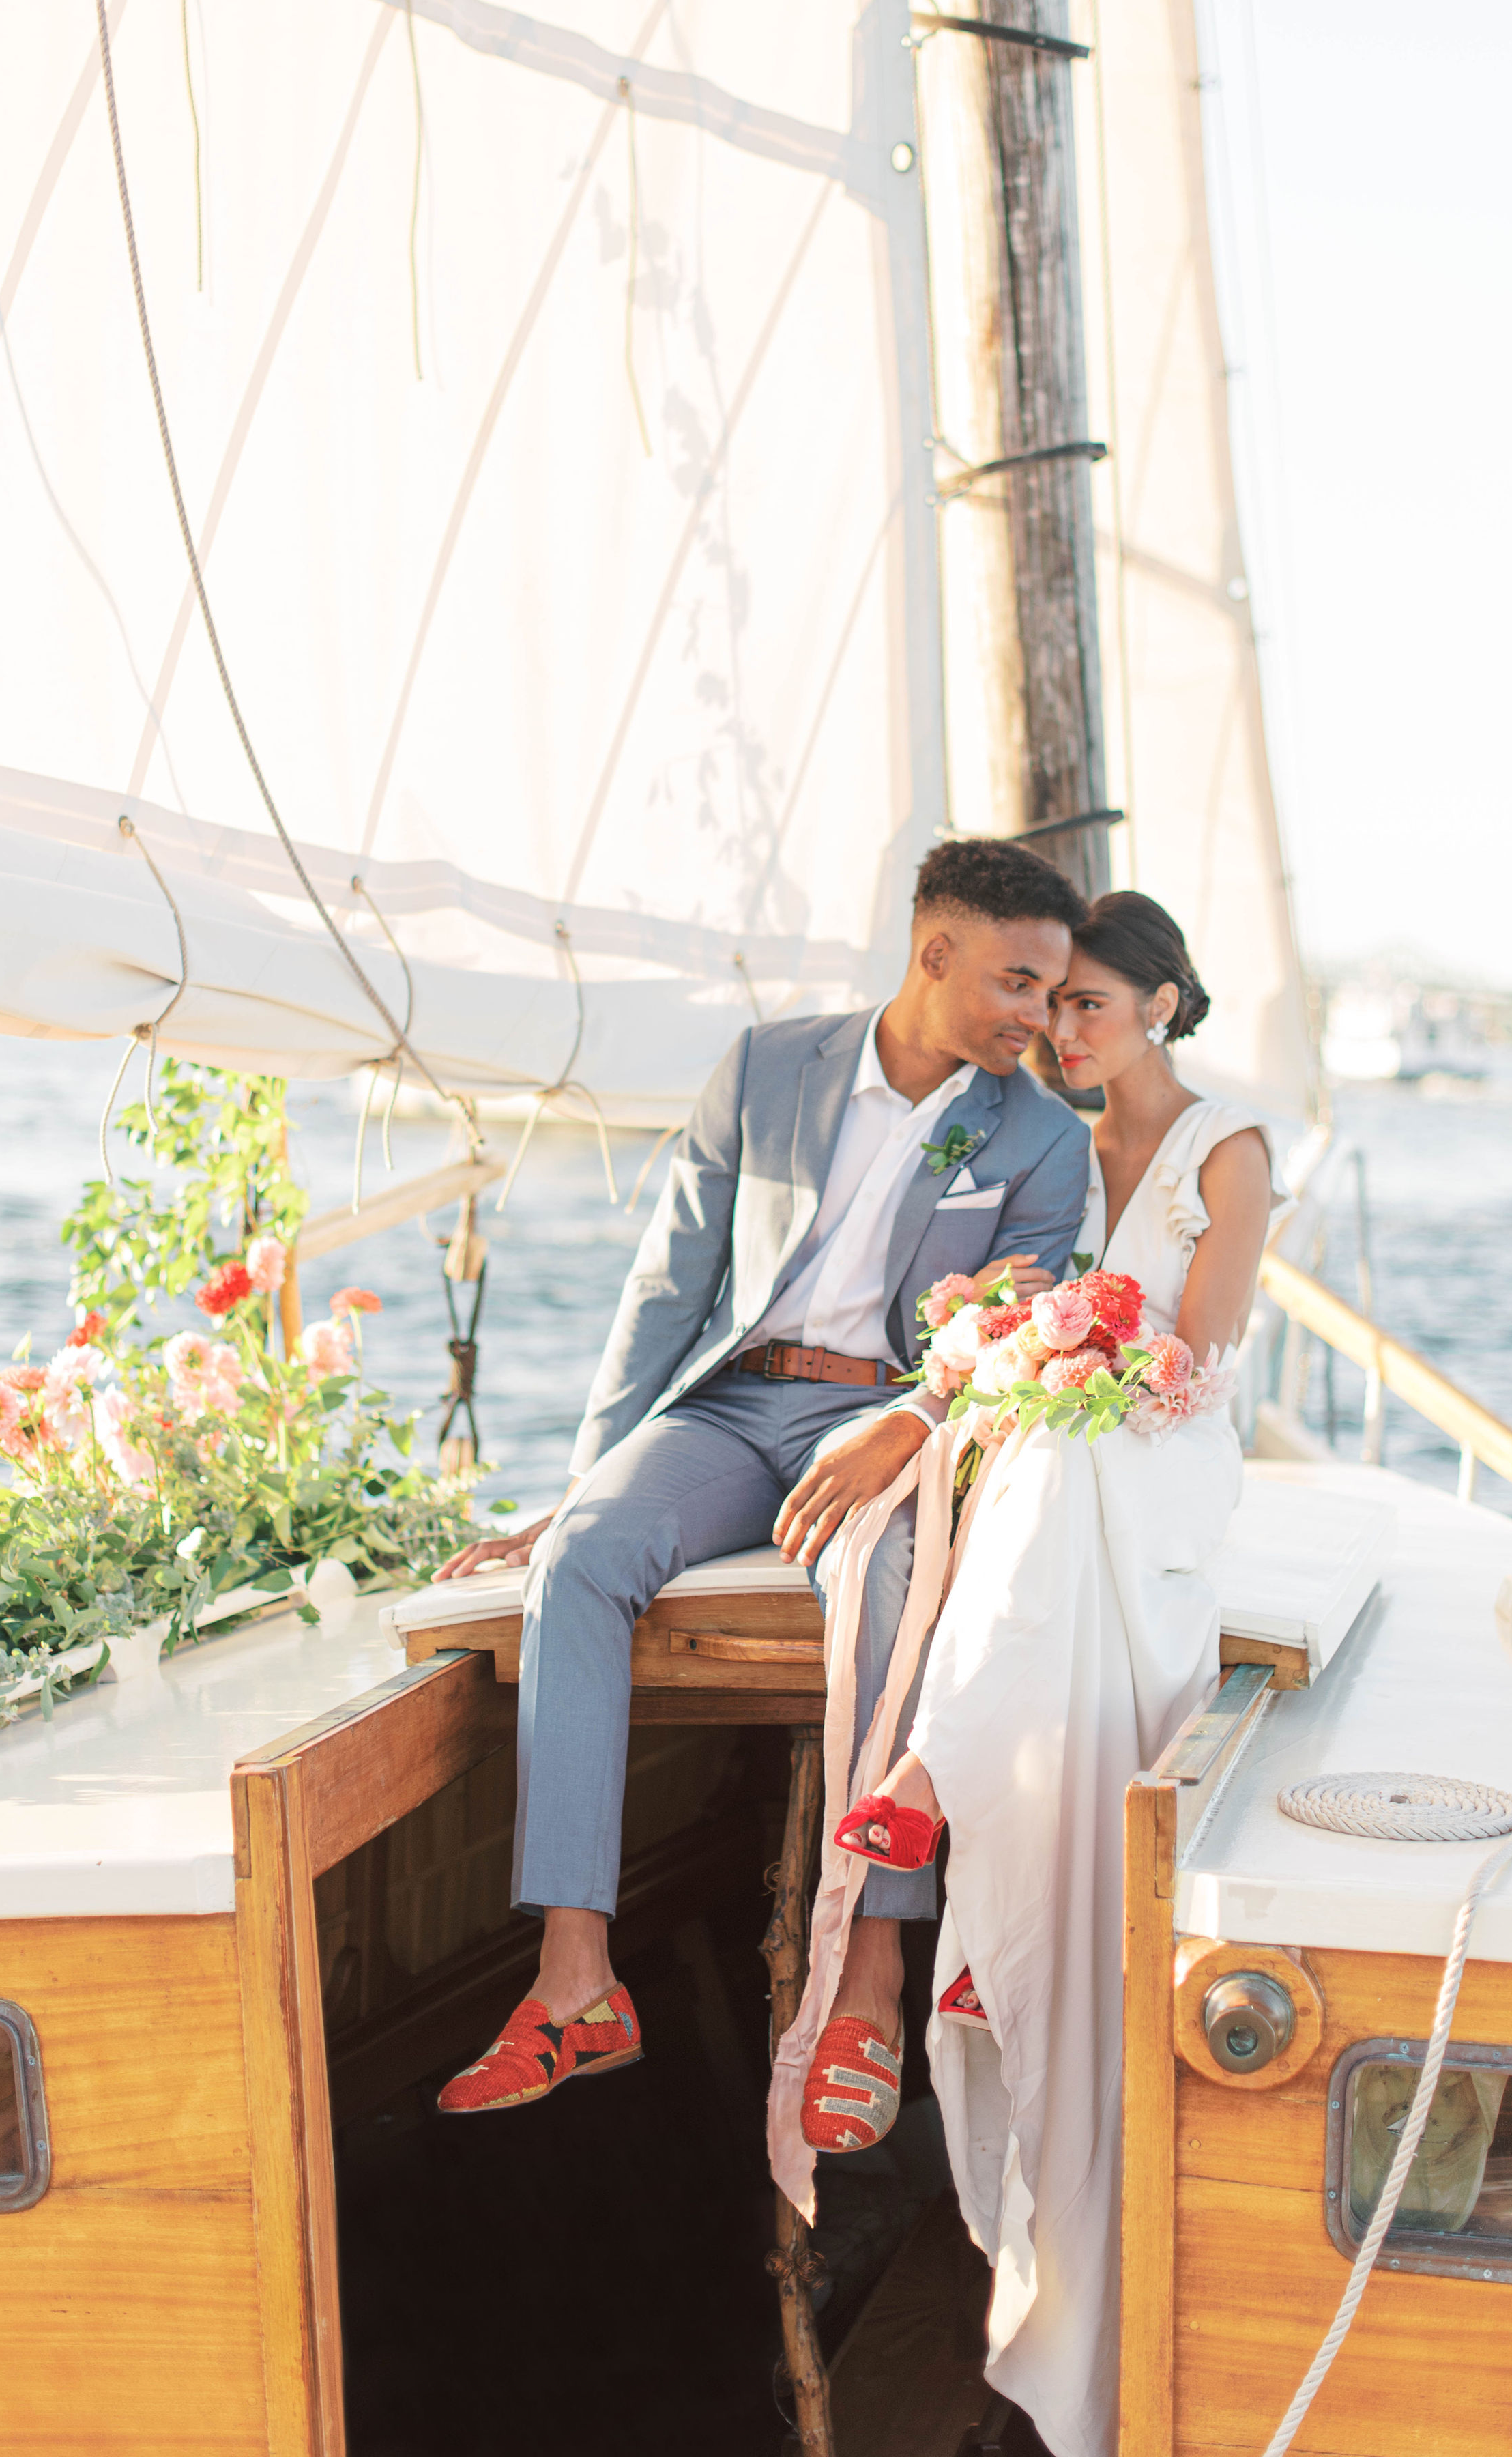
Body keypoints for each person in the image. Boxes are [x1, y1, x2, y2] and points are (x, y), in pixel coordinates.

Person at [428, 839, 1094, 2113]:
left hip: (895, 1419)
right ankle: (576, 1984)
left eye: (1051, 993)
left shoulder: (1043, 1142)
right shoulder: (767, 1068)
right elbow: (671, 1284)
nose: (1034, 1019)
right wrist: (583, 1482)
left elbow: (1016, 1332)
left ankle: (873, 1981)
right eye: (1016, 983)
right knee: (577, 1565)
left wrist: (914, 1421)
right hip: (736, 1408)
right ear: (934, 954)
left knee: (887, 1584)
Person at [768, 891, 1291, 2456]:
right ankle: (955, 1809)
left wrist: (1062, 1364)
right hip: (1079, 1434)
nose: (1066, 1034)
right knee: (1020, 1464)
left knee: (1051, 1470)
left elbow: (1195, 1360)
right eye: (1058, 1009)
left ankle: (936, 1770)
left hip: (1172, 1455)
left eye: (1095, 1009)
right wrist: (1010, 1361)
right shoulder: (1053, 1149)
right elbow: (1012, 1314)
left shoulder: (1229, 1146)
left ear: (1166, 1010)